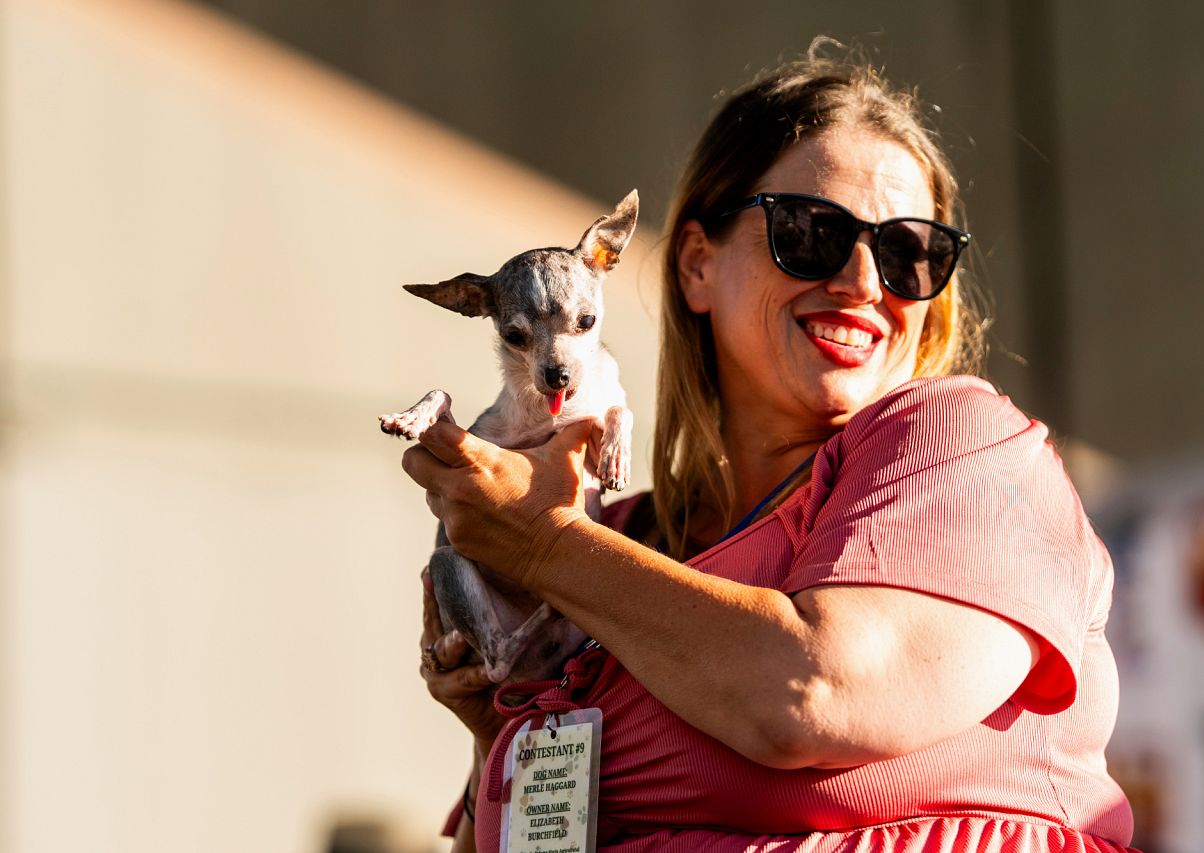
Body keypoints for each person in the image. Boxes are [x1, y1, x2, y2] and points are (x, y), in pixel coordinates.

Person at [403, 54, 1140, 853]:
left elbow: (817, 692)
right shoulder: (621, 535)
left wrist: (546, 545)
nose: (864, 282)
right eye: (811, 233)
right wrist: (499, 731)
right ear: (697, 263)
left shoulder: (963, 441)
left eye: (908, 252)